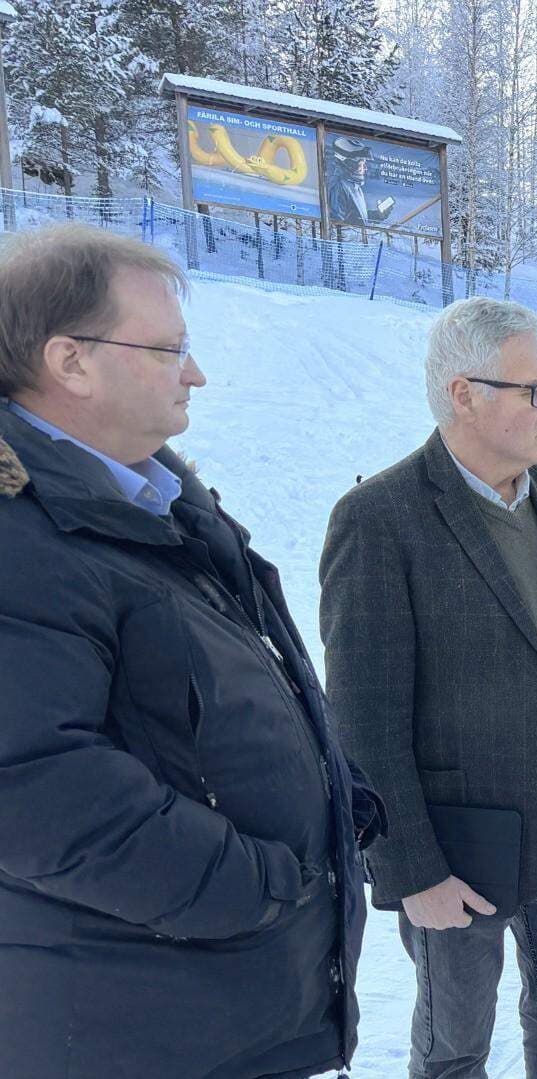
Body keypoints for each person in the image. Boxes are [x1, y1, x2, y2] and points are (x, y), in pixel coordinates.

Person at [0, 222, 382, 1076]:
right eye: (170, 349)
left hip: (233, 1006)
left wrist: (333, 797)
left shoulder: (152, 497)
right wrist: (256, 886)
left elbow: (226, 685)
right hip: (136, 1027)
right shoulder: (19, 535)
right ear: (70, 361)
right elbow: (31, 787)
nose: (196, 373)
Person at [320, 297, 537, 1079]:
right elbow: (362, 719)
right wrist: (412, 869)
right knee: (455, 1042)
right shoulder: (380, 518)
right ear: (463, 394)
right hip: (460, 846)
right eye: (535, 389)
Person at [324, 135, 395, 227]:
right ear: (350, 164)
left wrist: (377, 215)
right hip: (346, 240)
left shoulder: (353, 185)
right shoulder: (339, 186)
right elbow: (338, 223)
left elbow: (354, 217)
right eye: (362, 164)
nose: (365, 168)